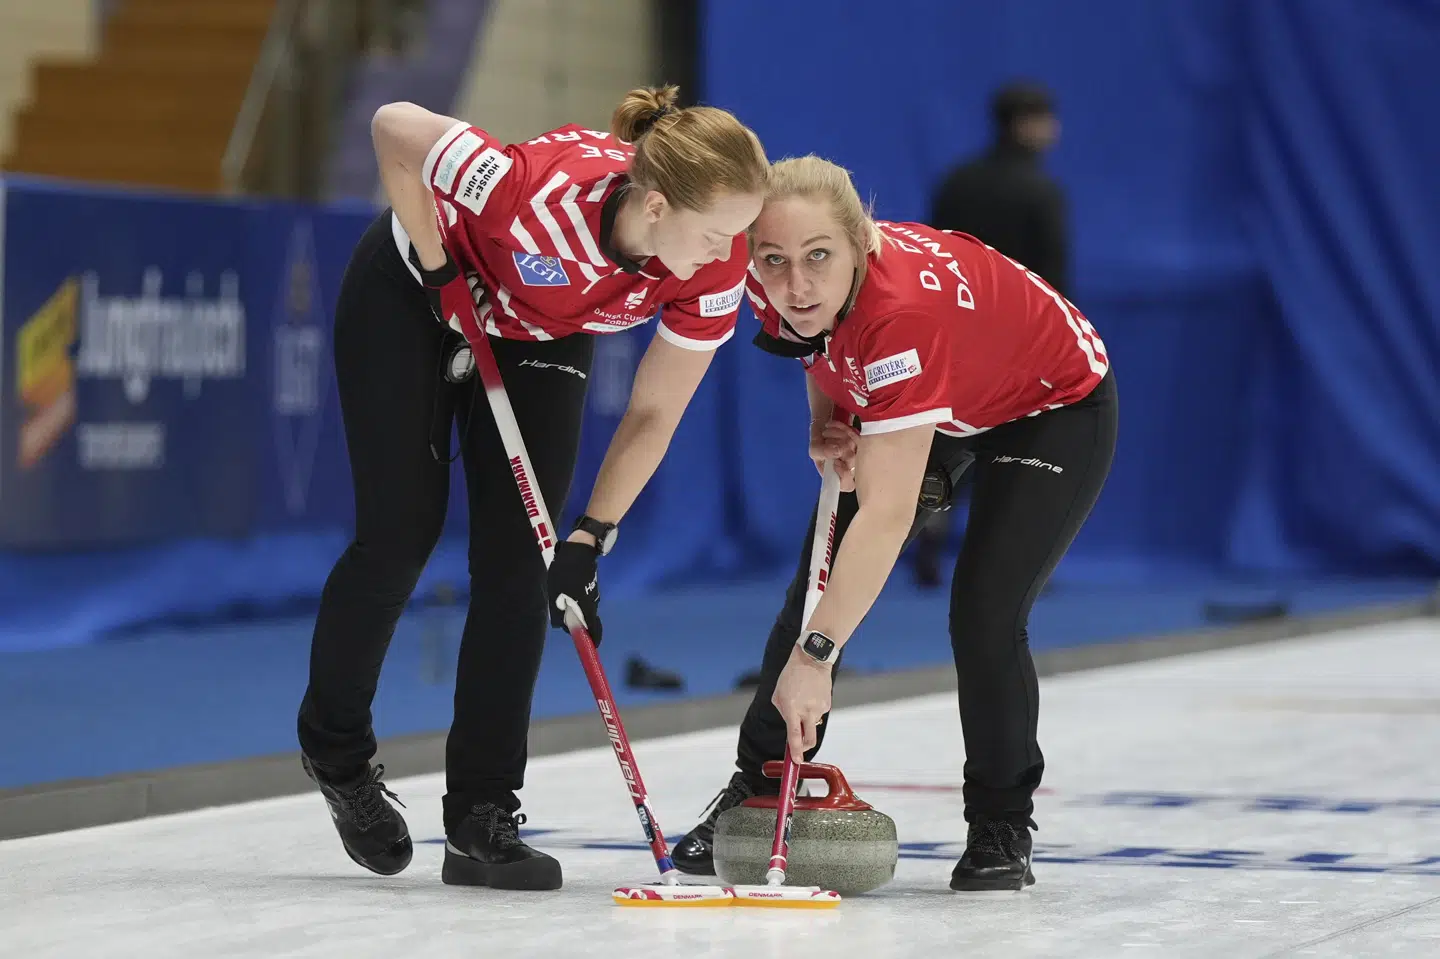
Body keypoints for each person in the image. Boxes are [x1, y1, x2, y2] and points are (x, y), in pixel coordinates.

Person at [295, 85, 767, 892]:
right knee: (401, 533)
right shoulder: (530, 191)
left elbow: (656, 408)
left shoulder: (709, 263)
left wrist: (594, 532)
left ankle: (481, 814)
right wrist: (441, 266)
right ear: (656, 205)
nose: (733, 250)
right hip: (414, 295)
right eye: (720, 230)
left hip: (542, 327)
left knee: (528, 559)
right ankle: (338, 754)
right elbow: (394, 129)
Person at [670, 156, 1116, 891]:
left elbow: (887, 514)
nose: (797, 285)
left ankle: (1001, 822)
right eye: (775, 261)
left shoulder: (898, 314)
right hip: (952, 380)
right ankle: (757, 788)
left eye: (819, 258)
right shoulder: (774, 283)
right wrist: (829, 418)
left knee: (983, 611)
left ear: (861, 243)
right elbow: (811, 341)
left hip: (1053, 404)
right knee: (817, 581)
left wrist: (815, 659)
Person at [914, 81, 1070, 586]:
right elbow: (1053, 282)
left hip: (953, 340)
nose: (1054, 131)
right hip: (1020, 346)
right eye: (1047, 120)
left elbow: (929, 262)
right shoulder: (1041, 193)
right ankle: (1004, 567)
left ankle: (928, 547)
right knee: (1017, 455)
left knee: (942, 447)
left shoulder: (956, 183)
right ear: (1026, 124)